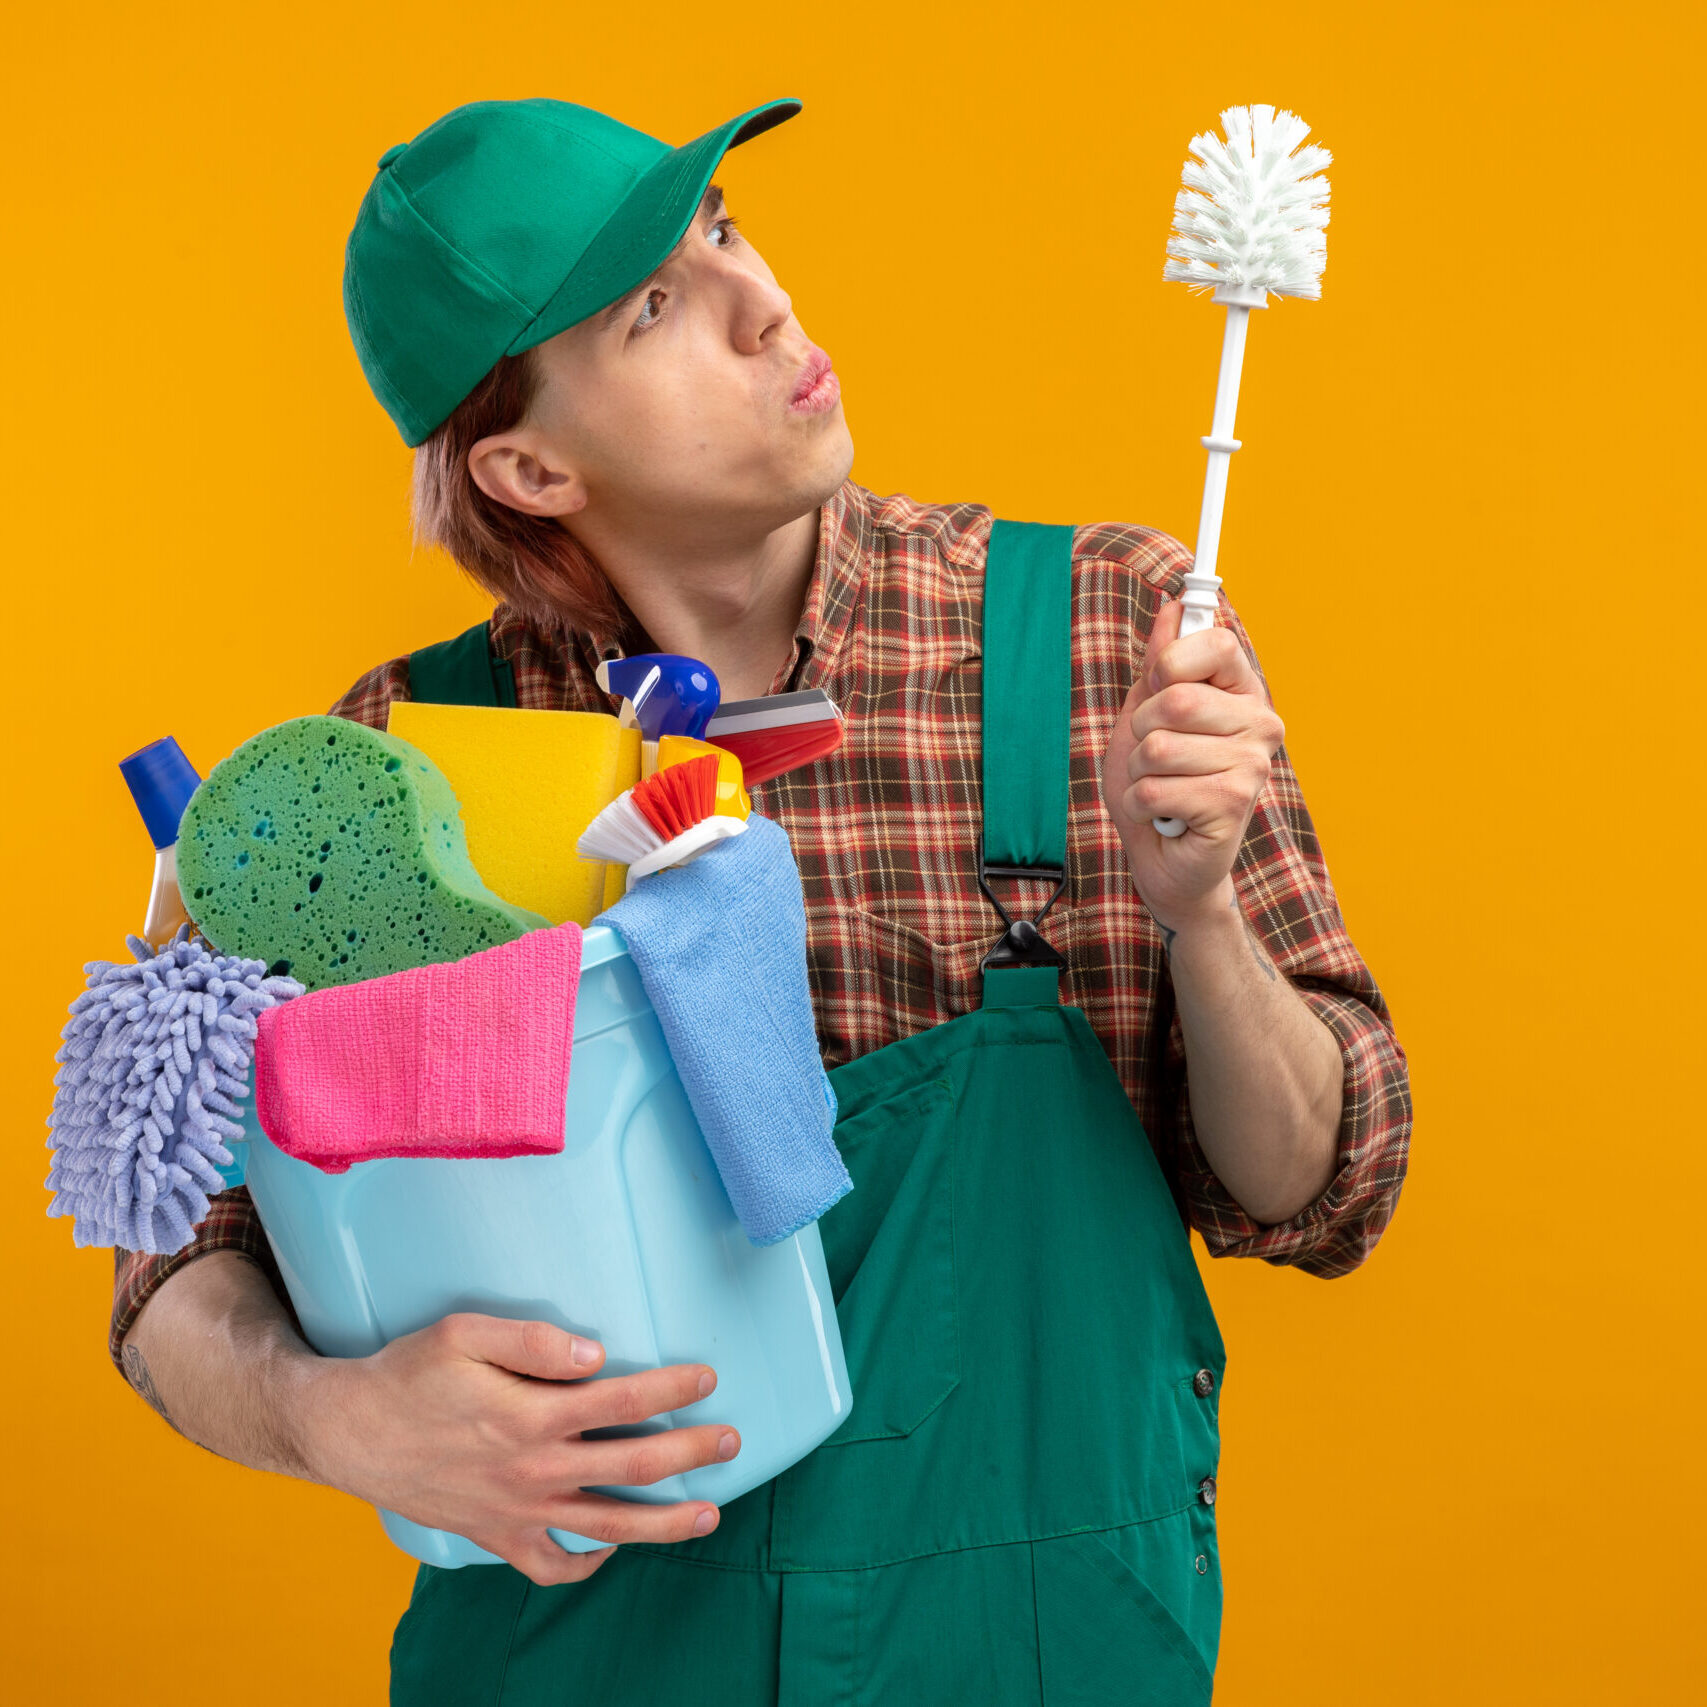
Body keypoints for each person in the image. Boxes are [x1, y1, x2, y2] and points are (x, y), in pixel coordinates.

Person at [110, 94, 1411, 1703]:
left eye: (722, 227)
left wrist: (1199, 914)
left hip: (1035, 1651)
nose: (765, 303)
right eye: (655, 307)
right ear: (526, 463)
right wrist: (335, 1414)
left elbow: (1317, 1190)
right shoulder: (382, 787)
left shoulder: (1107, 636)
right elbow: (172, 1265)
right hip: (582, 1653)